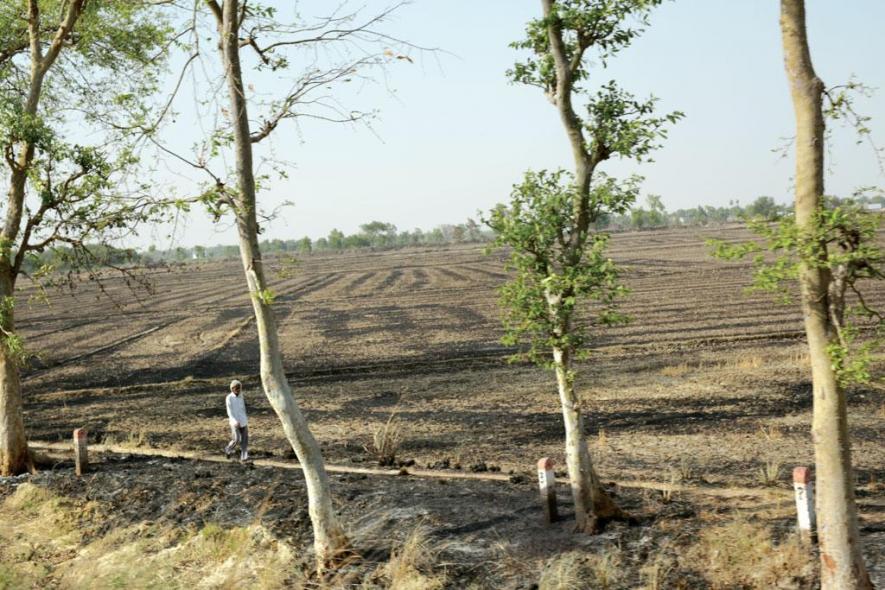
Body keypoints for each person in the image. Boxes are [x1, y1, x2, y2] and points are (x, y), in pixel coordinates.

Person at [224, 379, 249, 461]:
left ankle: (244, 456)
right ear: (232, 389)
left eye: (239, 388)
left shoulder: (241, 396)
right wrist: (235, 421)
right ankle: (228, 449)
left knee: (245, 440)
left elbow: (243, 408)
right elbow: (229, 412)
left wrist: (245, 418)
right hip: (234, 422)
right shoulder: (229, 398)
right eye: (236, 388)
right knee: (236, 439)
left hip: (243, 421)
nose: (238, 390)